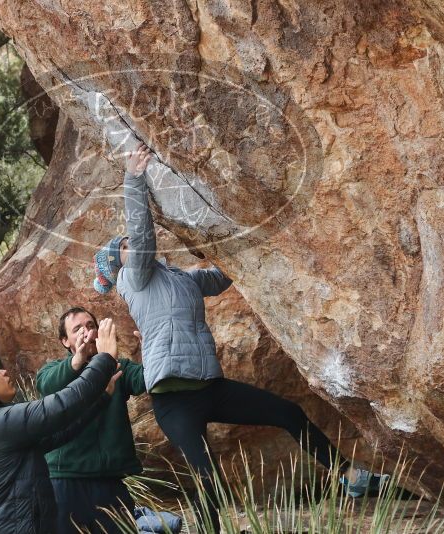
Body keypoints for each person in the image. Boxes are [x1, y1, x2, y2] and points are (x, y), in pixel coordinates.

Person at [93, 143, 384, 529]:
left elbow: (223, 275)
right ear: (120, 263)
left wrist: (247, 229)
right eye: (125, 248)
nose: (133, 247)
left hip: (209, 388)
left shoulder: (179, 278)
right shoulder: (134, 280)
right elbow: (143, 237)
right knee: (207, 478)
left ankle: (351, 478)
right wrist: (134, 179)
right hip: (173, 400)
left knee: (288, 413)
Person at [0, 318, 123, 534]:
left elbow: (58, 433)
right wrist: (103, 359)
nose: (3, 372)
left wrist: (102, 398)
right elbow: (58, 406)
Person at [36, 306, 146, 534]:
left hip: (109, 481)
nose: (87, 332)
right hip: (64, 480)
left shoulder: (119, 367)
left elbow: (147, 380)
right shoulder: (55, 370)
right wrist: (80, 360)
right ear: (65, 341)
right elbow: (47, 386)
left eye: (90, 326)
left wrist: (151, 349)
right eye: (77, 329)